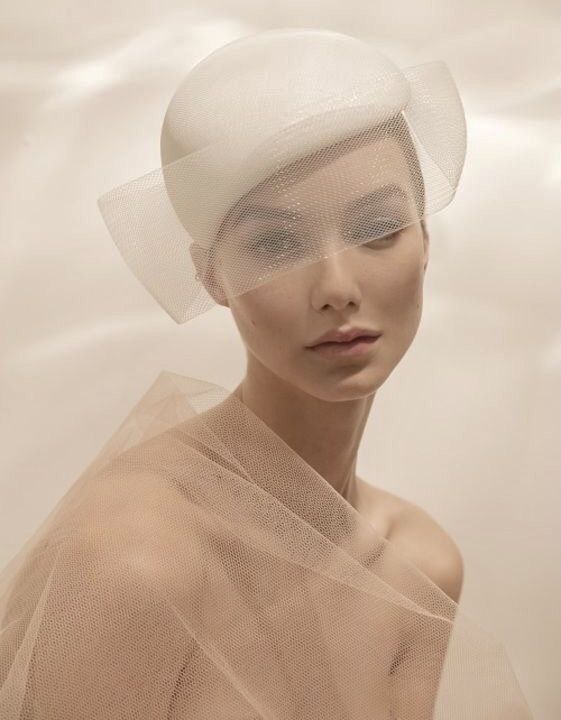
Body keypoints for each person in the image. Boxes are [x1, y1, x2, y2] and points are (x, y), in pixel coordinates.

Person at [0, 28, 533, 719]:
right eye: (276, 243)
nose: (336, 286)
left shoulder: (419, 563)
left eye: (377, 228)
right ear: (211, 276)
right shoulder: (137, 558)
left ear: (424, 240)